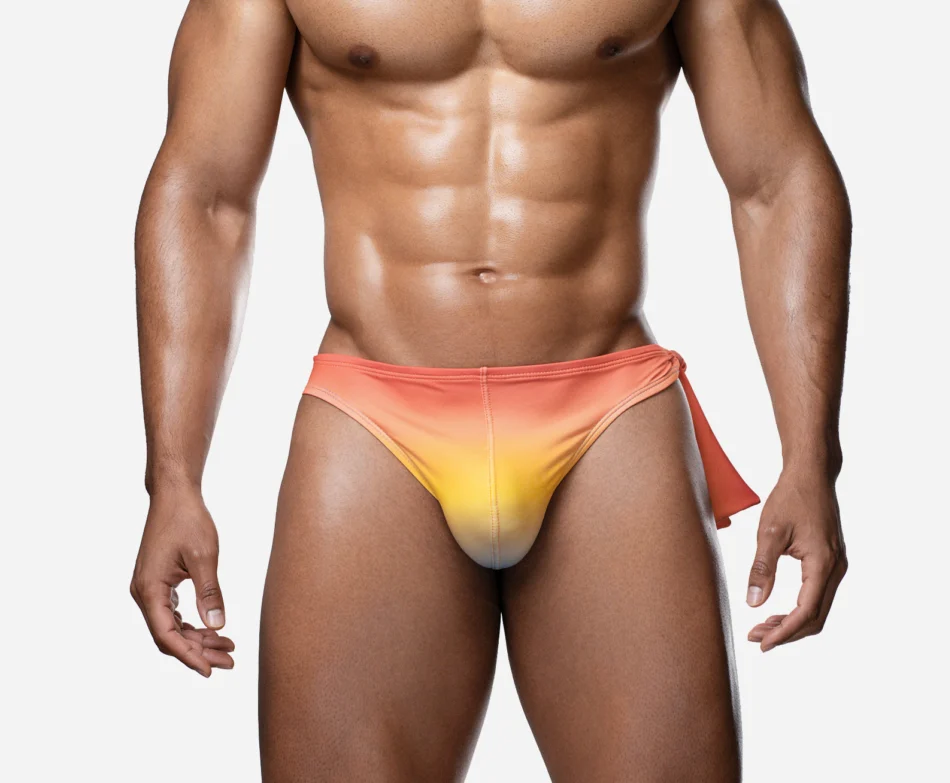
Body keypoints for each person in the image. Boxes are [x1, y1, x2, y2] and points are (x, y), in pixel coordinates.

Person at [129, 0, 850, 779]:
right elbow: (205, 193)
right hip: (375, 418)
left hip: (605, 413)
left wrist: (811, 457)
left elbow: (777, 178)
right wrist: (173, 477)